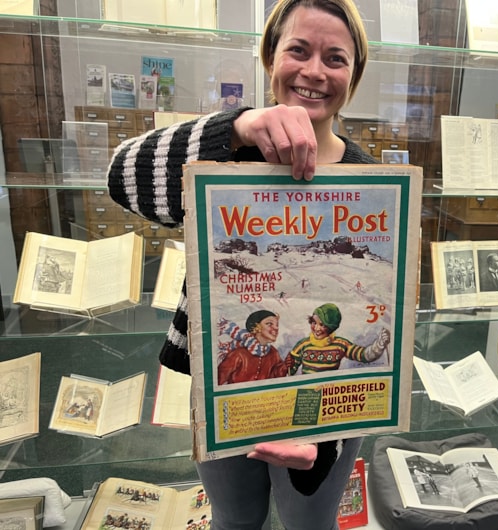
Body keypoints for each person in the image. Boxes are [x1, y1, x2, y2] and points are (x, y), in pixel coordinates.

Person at [107, 1, 376, 528]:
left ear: (354, 75)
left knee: (309, 523)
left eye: (335, 58)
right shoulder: (225, 155)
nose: (314, 71)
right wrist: (238, 127)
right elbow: (122, 177)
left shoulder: (370, 181)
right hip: (224, 386)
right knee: (233, 520)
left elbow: (372, 338)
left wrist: (323, 442)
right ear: (270, 57)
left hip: (325, 407)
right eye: (297, 50)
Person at [285, 303, 390, 374]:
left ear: (331, 326)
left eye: (322, 325)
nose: (317, 328)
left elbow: (364, 355)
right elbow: (289, 372)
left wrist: (379, 345)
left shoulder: (340, 344)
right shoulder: (303, 345)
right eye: (313, 323)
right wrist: (287, 366)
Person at [217, 310, 288, 384]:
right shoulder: (239, 354)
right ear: (256, 327)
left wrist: (286, 365)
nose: (276, 328)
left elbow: (277, 377)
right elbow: (218, 382)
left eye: (277, 325)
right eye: (269, 324)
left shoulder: (273, 352)